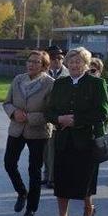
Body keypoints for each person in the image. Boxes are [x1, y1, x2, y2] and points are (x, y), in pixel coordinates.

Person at [44, 47, 108, 216]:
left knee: (84, 180)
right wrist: (59, 119)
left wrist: (76, 120)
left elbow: (102, 112)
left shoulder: (96, 83)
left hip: (86, 141)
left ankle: (88, 209)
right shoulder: (60, 83)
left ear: (86, 64)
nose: (74, 65)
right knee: (61, 180)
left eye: (78, 61)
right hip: (63, 140)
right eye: (71, 61)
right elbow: (49, 111)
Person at [2, 50, 54, 216]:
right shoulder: (18, 79)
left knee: (34, 171)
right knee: (9, 163)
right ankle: (21, 192)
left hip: (38, 132)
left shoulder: (50, 83)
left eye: (36, 62)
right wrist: (13, 112)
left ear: (44, 65)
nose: (31, 64)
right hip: (16, 129)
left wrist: (30, 117)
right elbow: (7, 102)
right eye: (29, 61)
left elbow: (51, 112)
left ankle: (31, 208)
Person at [41, 45, 68, 187]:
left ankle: (53, 178)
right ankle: (47, 175)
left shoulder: (68, 74)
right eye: (53, 58)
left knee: (55, 150)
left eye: (60, 58)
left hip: (61, 118)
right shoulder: (42, 74)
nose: (57, 60)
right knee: (45, 151)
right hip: (45, 116)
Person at [89, 57, 108, 122]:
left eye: (93, 71)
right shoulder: (81, 86)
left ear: (99, 72)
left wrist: (97, 118)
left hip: (101, 123)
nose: (89, 73)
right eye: (87, 71)